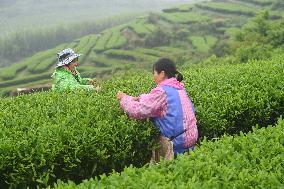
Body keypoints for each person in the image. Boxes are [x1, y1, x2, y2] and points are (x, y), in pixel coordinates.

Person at [116, 58, 198, 161]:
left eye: (154, 73)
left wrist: (124, 98)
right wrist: (139, 98)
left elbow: (139, 110)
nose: (153, 76)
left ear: (162, 73)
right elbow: (154, 100)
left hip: (176, 144)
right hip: (190, 140)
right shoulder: (179, 88)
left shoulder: (162, 92)